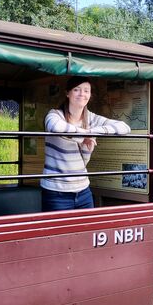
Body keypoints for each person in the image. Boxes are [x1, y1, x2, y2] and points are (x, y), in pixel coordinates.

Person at [41, 76, 131, 211]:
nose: (82, 94)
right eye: (77, 90)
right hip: (56, 192)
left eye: (86, 90)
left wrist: (92, 131)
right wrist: (84, 135)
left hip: (83, 191)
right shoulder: (55, 114)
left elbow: (124, 128)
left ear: (90, 95)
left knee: (87, 232)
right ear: (67, 93)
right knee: (62, 233)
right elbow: (56, 127)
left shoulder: (92, 119)